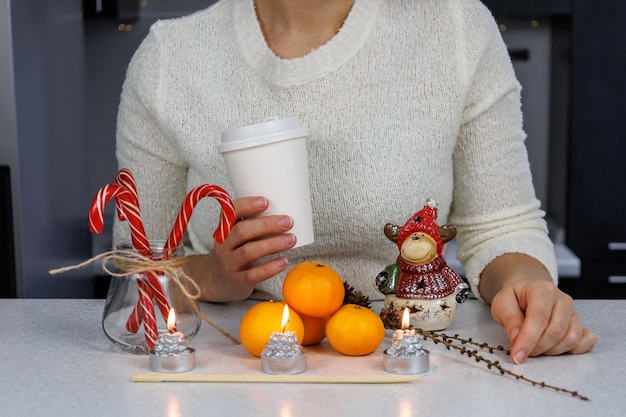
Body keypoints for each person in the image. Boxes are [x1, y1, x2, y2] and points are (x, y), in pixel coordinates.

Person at [113, 0, 597, 364]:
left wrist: (528, 285)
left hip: (410, 355)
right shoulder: (169, 60)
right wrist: (212, 277)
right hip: (231, 363)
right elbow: (134, 269)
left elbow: (499, 226)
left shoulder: (455, 28)